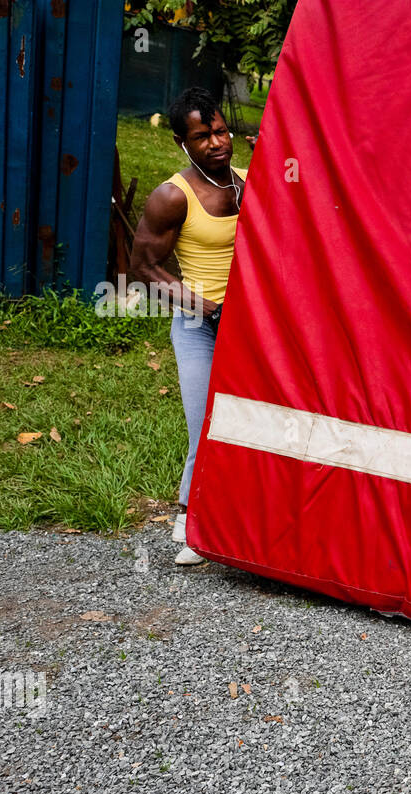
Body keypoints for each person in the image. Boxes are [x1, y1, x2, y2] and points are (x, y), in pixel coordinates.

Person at [130, 88, 249, 565]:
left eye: (221, 131)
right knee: (205, 423)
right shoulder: (171, 196)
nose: (217, 142)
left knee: (249, 420)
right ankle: (189, 517)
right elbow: (144, 267)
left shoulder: (248, 180)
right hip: (198, 323)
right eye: (203, 136)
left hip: (250, 323)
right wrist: (204, 307)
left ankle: (238, 518)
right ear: (182, 142)